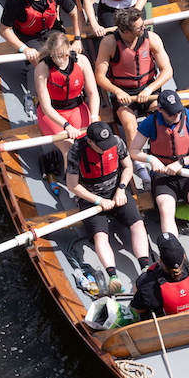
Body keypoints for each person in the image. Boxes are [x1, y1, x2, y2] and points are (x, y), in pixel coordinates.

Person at [129, 90, 189, 272]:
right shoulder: (150, 123)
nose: (176, 115)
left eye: (178, 111)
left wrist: (181, 162)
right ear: (160, 110)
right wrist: (151, 159)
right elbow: (134, 150)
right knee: (166, 208)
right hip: (162, 175)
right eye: (171, 113)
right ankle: (177, 255)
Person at [65, 121, 151, 295]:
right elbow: (73, 186)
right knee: (100, 236)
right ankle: (113, 276)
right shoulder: (76, 152)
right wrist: (98, 200)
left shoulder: (117, 142)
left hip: (116, 191)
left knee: (138, 225)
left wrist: (121, 189)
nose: (106, 149)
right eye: (101, 146)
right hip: (91, 199)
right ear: (90, 142)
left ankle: (145, 267)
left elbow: (127, 166)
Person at [94, 6, 172, 184]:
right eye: (139, 27)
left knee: (160, 118)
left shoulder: (152, 38)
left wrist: (149, 89)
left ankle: (159, 154)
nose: (144, 28)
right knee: (129, 126)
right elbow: (99, 76)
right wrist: (117, 91)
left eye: (142, 24)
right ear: (125, 31)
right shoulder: (109, 43)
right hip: (124, 94)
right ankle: (140, 165)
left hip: (149, 90)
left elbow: (167, 71)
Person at [0, 0, 85, 63]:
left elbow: (75, 13)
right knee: (43, 62)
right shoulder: (14, 2)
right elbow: (4, 30)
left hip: (51, 29)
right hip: (28, 36)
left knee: (66, 57)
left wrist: (78, 39)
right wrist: (24, 49)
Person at [34, 31, 100, 156]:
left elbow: (93, 93)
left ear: (69, 49)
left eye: (63, 55)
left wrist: (94, 117)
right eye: (55, 56)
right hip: (53, 113)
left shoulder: (82, 61)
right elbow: (46, 107)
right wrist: (66, 126)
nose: (60, 61)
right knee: (69, 150)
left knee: (90, 144)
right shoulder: (42, 68)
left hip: (77, 108)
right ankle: (69, 175)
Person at [130, 232, 189, 318]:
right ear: (184, 256)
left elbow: (138, 309)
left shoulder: (148, 284)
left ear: (160, 259)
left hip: (166, 327)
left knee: (140, 285)